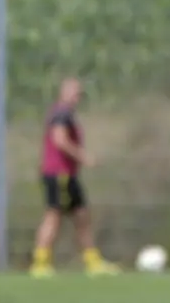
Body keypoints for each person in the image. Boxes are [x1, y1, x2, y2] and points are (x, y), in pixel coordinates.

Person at [30, 78, 120, 277]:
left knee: (82, 216)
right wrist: (83, 156)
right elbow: (59, 140)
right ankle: (40, 263)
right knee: (53, 216)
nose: (77, 97)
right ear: (63, 92)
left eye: (79, 93)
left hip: (67, 174)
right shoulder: (61, 114)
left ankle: (92, 262)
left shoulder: (66, 114)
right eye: (74, 92)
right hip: (59, 173)